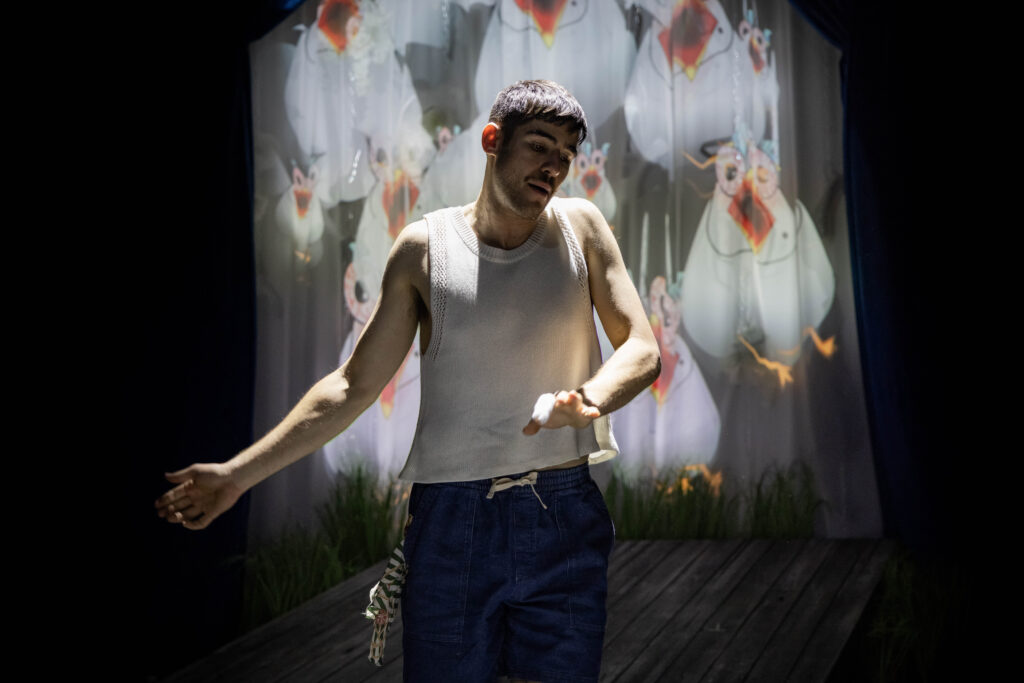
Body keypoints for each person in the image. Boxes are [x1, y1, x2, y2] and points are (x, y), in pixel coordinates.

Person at [156, 80, 661, 683]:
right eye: (539, 145)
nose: (554, 165)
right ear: (492, 140)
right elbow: (352, 386)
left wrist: (589, 399)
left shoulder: (582, 226)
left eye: (566, 155)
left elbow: (642, 347)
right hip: (452, 521)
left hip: (562, 513)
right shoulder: (425, 248)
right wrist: (237, 476)